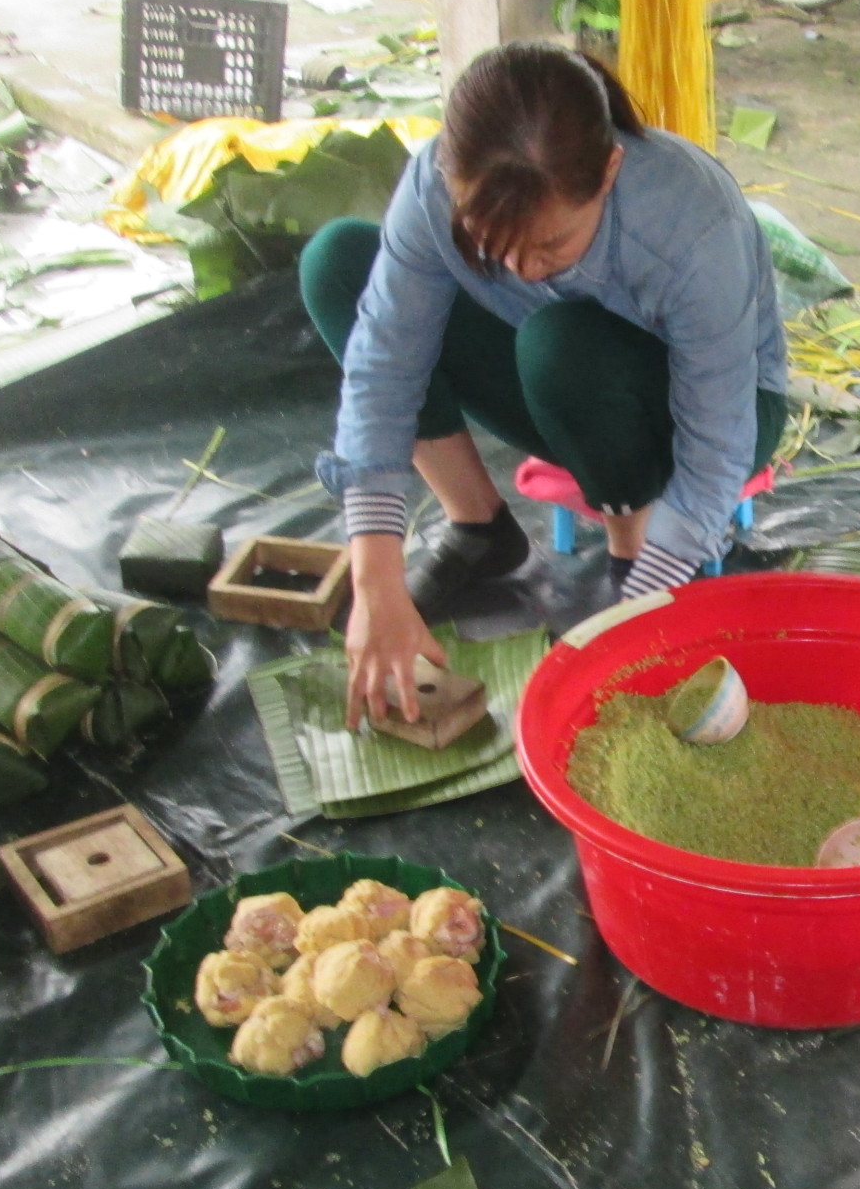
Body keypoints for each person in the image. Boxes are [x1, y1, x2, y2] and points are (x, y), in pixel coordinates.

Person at [307, 42, 788, 728]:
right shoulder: (433, 186)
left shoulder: (689, 220)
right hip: (559, 382)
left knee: (562, 342)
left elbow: (719, 444)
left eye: (553, 245)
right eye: (490, 243)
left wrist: (638, 606)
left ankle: (631, 567)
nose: (523, 269)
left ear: (610, 170)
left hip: (716, 412)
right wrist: (373, 577)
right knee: (340, 266)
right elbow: (385, 363)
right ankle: (479, 527)